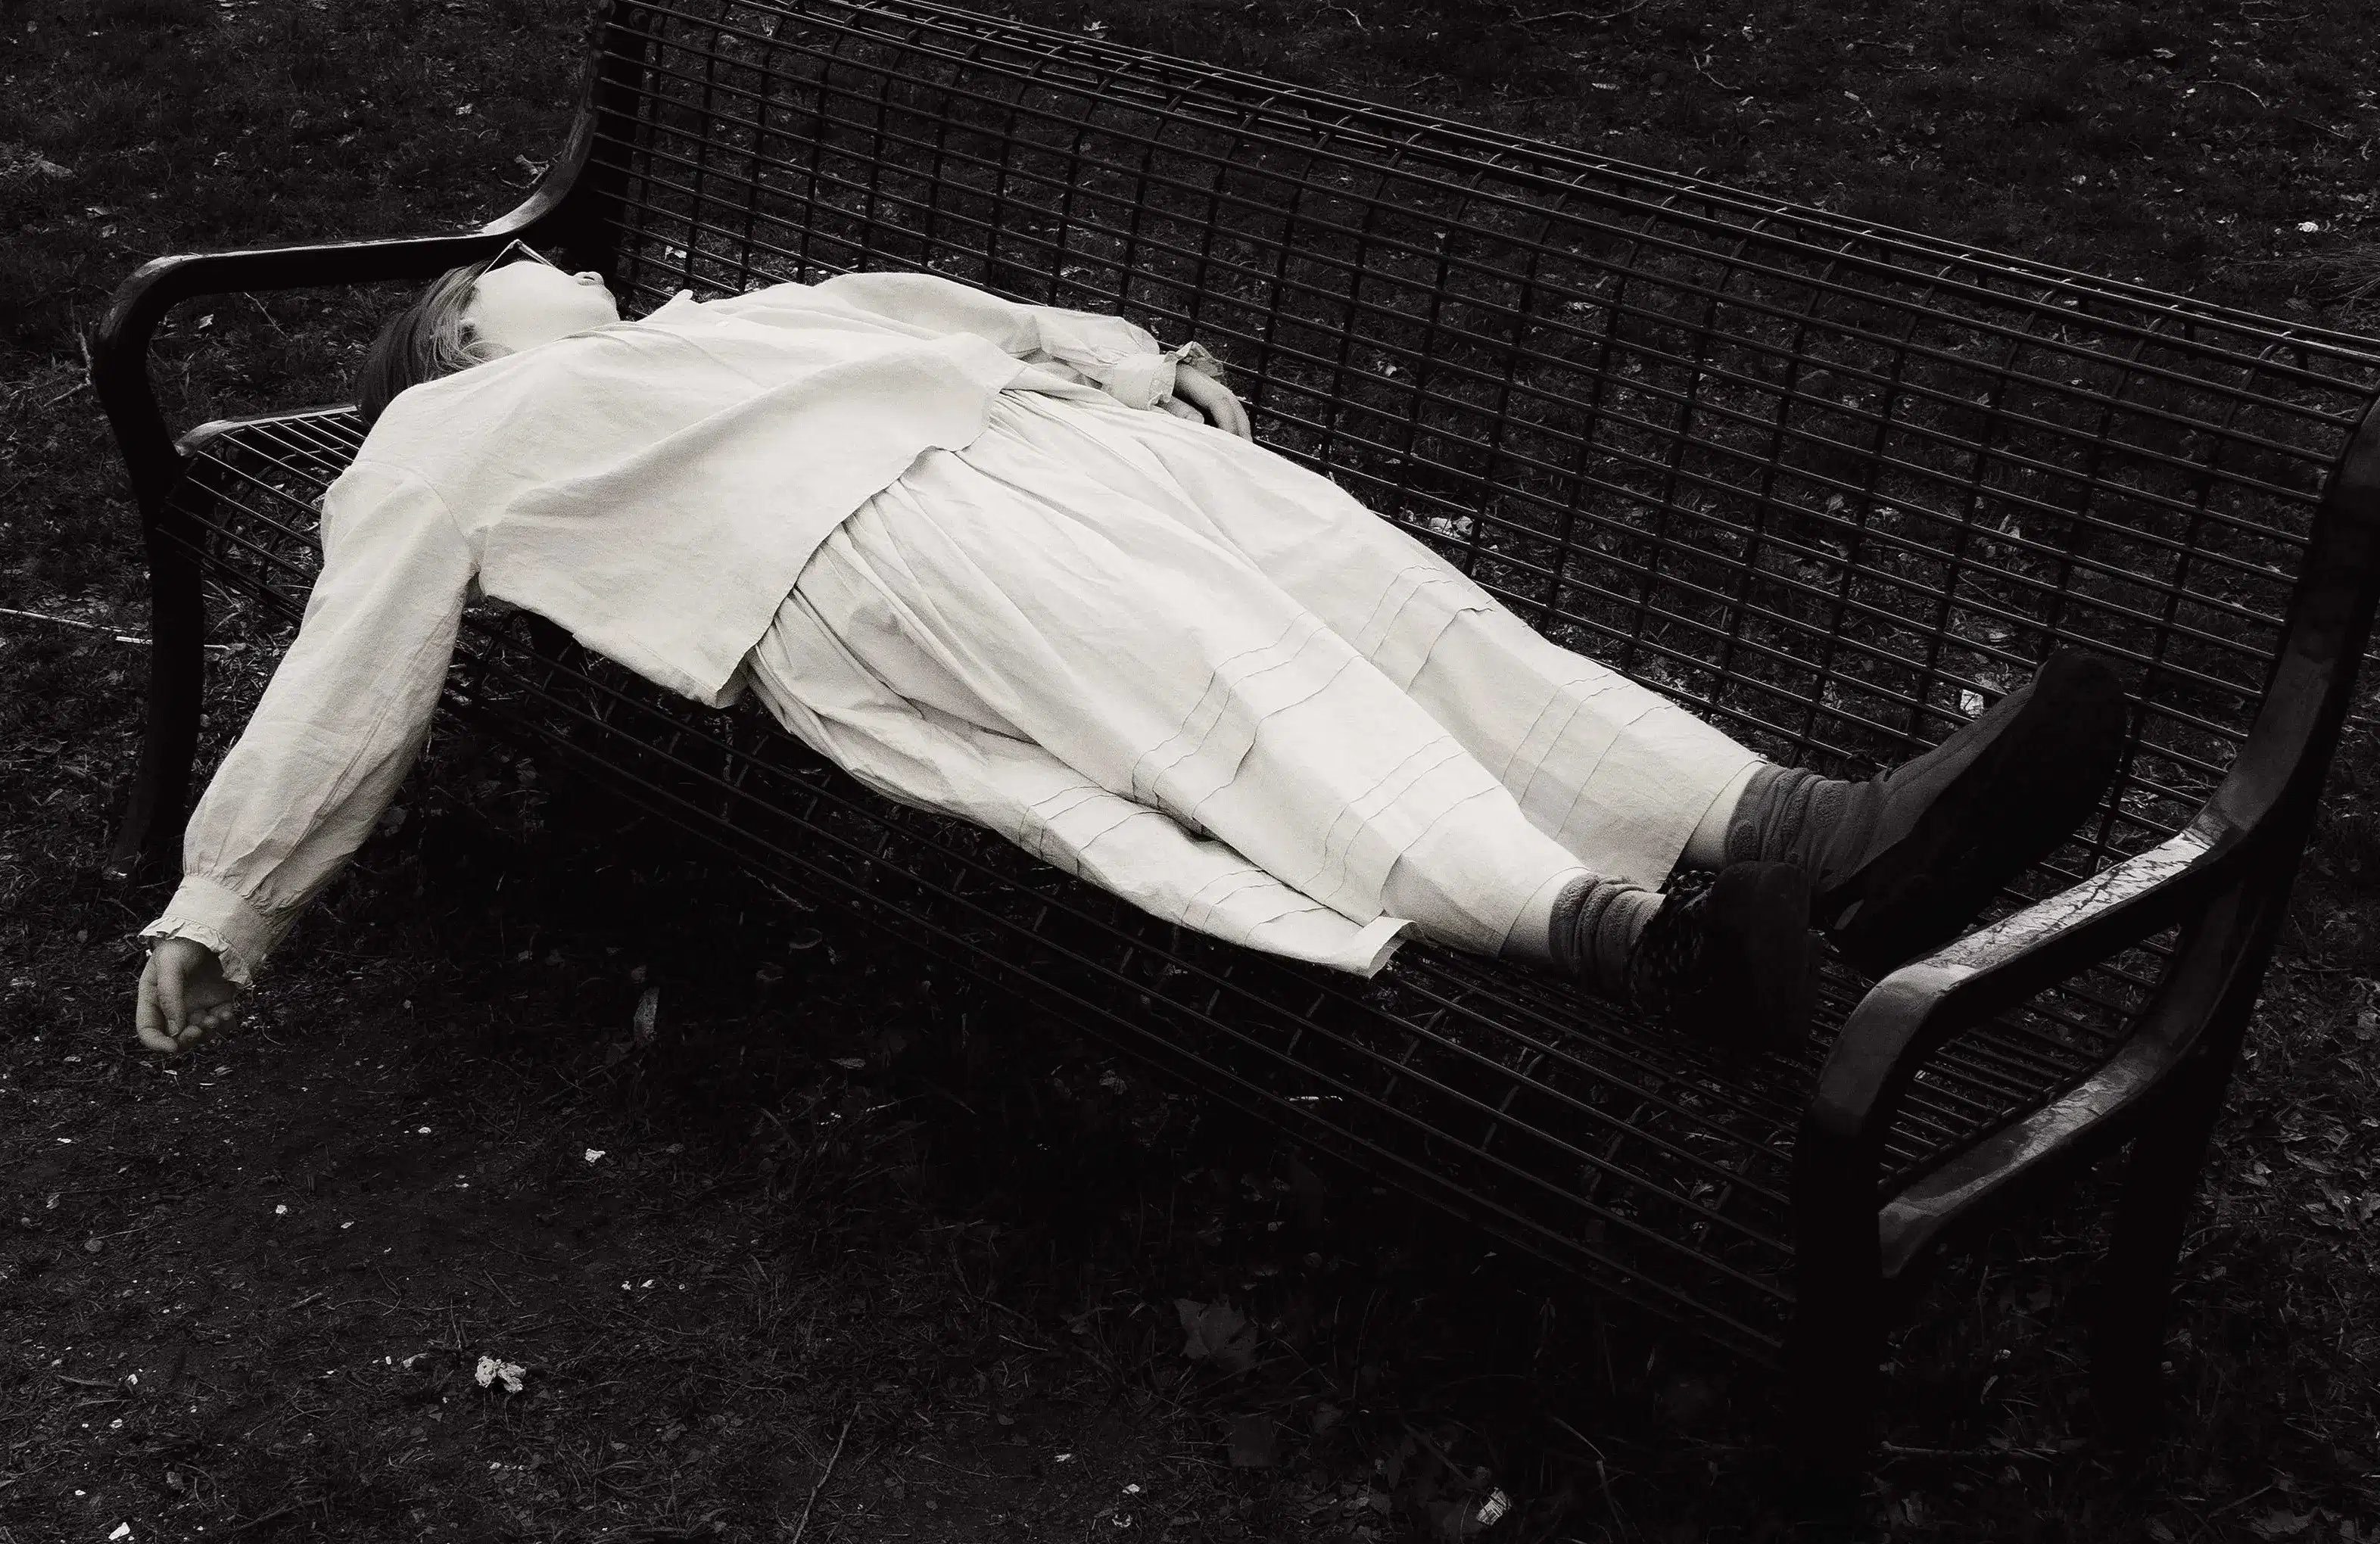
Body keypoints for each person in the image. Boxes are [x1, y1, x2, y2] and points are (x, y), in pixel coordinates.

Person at [133, 252, 2127, 1063]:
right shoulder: (455, 435)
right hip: (873, 546)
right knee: (1251, 710)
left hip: (1050, 448)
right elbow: (354, 654)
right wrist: (235, 892)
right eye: (513, 273)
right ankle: (1637, 950)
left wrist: (1115, 368)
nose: (564, 263)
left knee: (1417, 626)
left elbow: (942, 308)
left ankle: (1816, 835)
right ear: (463, 339)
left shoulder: (726, 319)